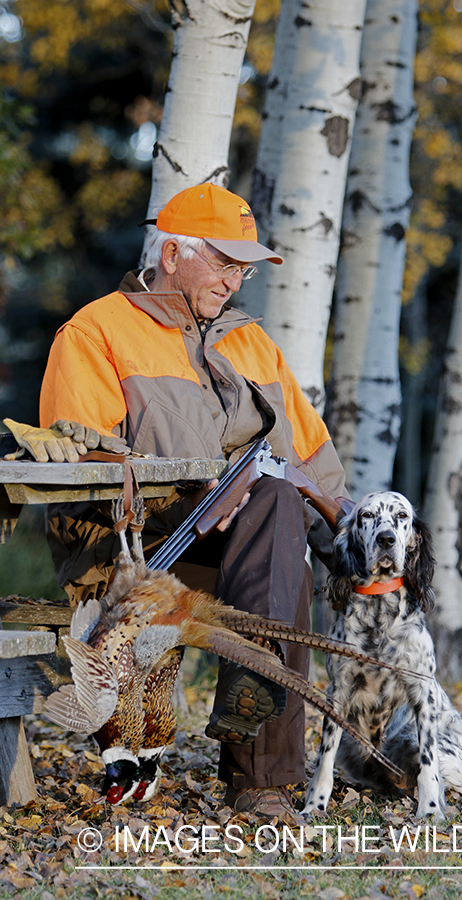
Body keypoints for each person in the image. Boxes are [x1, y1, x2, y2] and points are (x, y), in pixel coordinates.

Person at [39, 182, 348, 825]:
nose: (235, 281)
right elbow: (75, 458)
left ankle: (259, 776)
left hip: (247, 545)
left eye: (244, 268)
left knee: (277, 506)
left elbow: (313, 455)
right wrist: (194, 492)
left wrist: (353, 546)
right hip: (133, 547)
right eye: (224, 262)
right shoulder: (96, 330)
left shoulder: (252, 344)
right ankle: (241, 759)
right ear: (174, 253)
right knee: (271, 510)